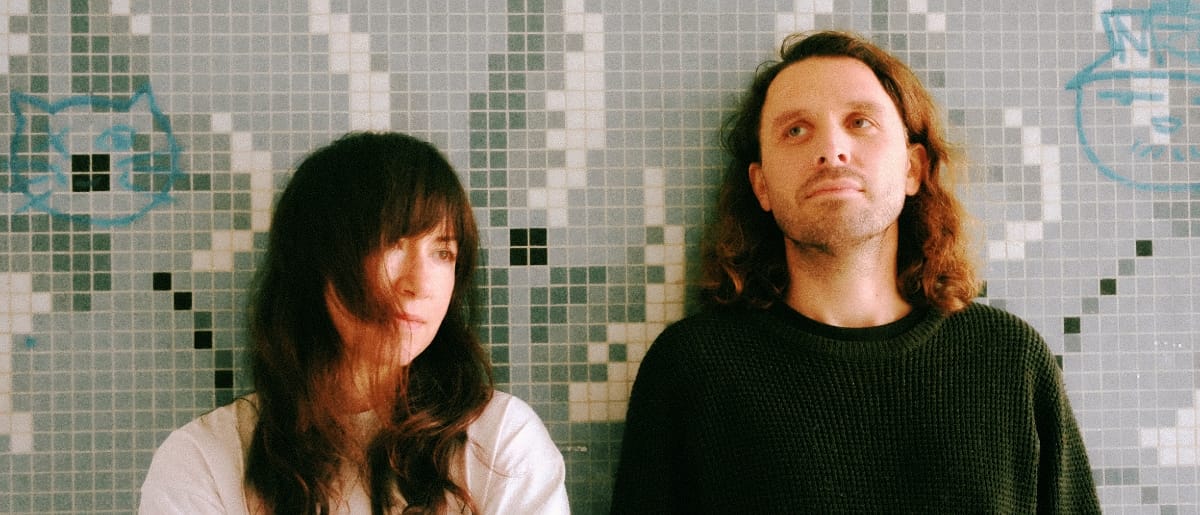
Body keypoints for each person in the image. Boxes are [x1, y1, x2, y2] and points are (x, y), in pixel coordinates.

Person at [610, 30, 1101, 513]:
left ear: (913, 169)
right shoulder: (694, 368)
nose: (832, 149)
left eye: (860, 122)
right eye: (795, 130)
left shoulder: (1010, 361)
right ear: (761, 186)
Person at [139, 131, 569, 514]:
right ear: (317, 260)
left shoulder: (501, 442)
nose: (420, 284)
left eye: (443, 252)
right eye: (391, 243)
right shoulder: (204, 460)